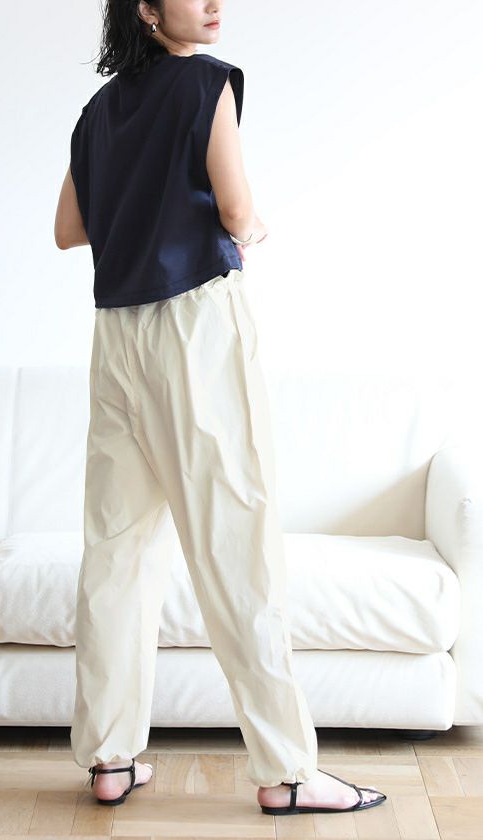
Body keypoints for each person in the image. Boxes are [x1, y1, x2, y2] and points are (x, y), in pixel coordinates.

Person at [54, 0, 387, 817]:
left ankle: (110, 759)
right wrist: (252, 227)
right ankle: (287, 771)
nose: (212, 3)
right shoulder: (205, 84)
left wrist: (140, 210)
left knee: (117, 551)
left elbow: (68, 229)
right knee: (236, 542)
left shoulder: (99, 110)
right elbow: (236, 212)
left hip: (116, 335)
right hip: (195, 326)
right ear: (146, 8)